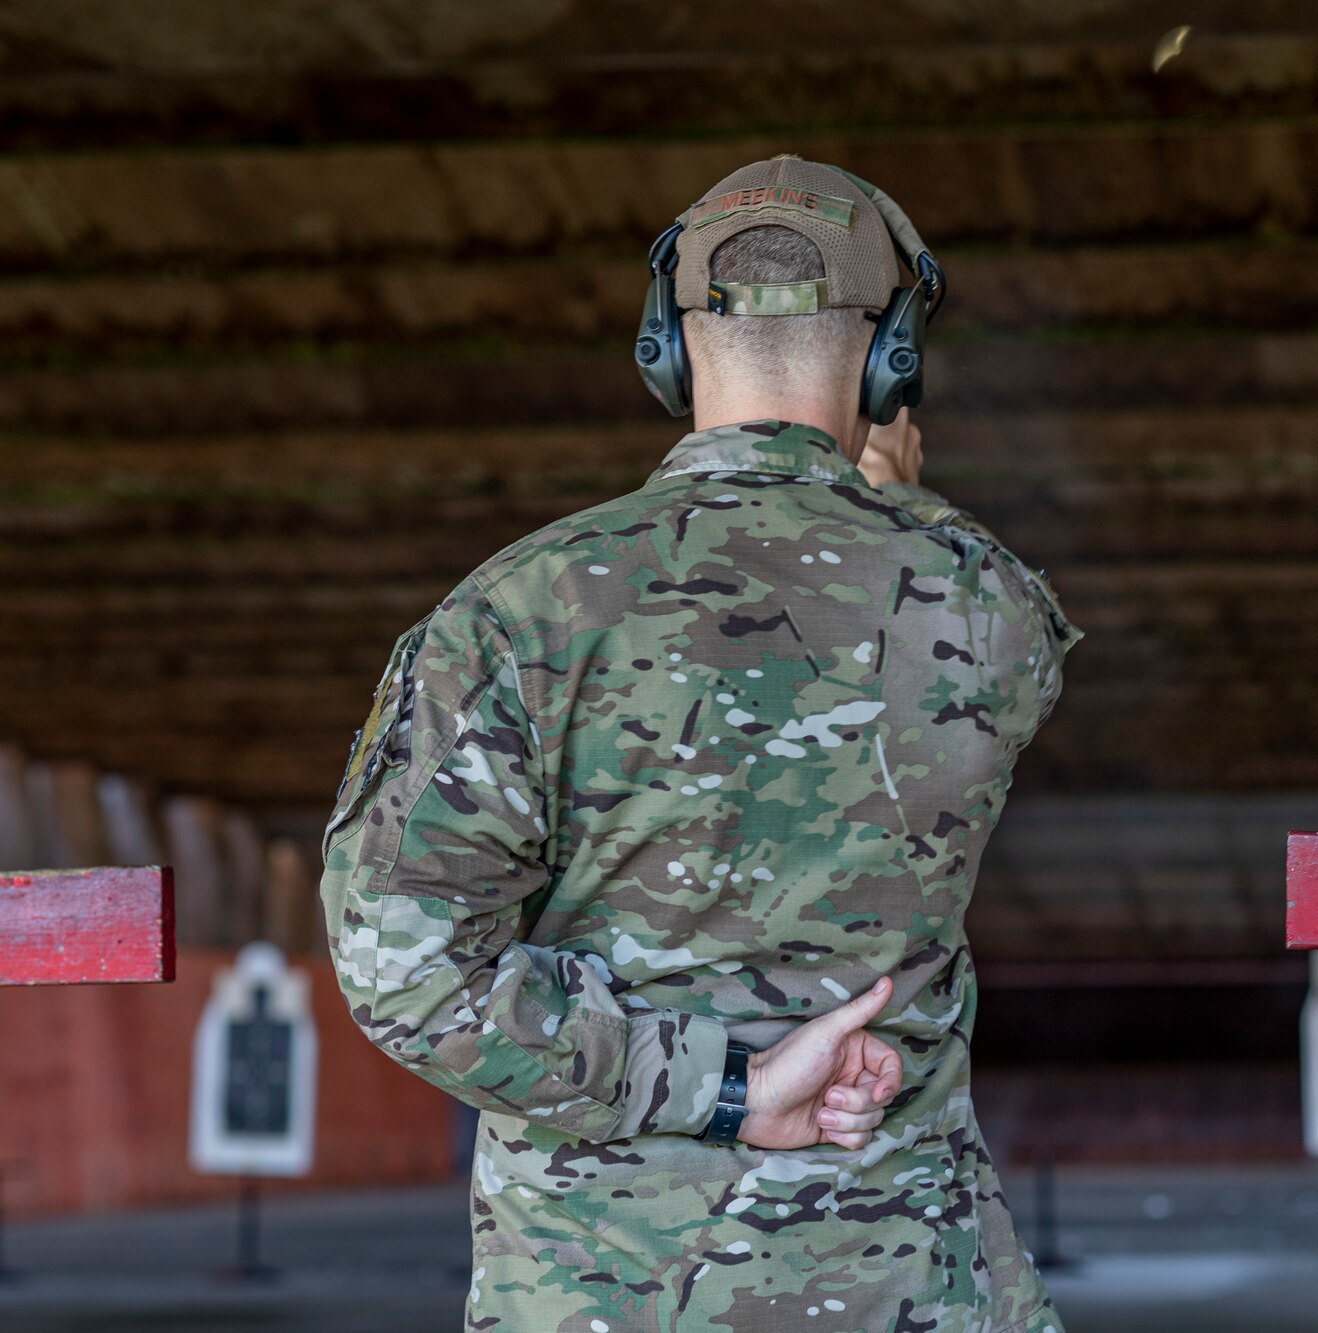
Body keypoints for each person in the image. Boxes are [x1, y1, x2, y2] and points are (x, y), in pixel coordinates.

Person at [319, 154, 1079, 1332]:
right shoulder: (986, 606)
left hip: (595, 1294)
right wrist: (903, 503)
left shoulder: (514, 614)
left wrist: (723, 1087)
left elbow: (402, 965)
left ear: (666, 348)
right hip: (906, 1284)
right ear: (891, 360)